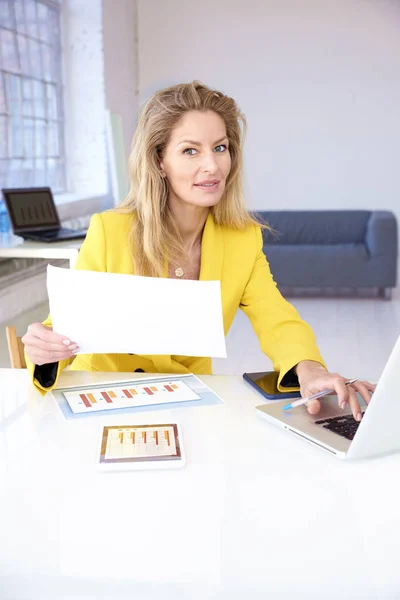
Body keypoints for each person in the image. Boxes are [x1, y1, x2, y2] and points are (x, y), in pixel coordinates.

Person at [23, 81, 374, 419]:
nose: (212, 165)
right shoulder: (109, 231)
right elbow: (63, 331)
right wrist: (44, 347)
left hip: (190, 400)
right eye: (190, 150)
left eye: (220, 148)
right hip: (104, 399)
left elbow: (277, 319)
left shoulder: (242, 239)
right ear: (159, 161)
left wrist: (310, 369)